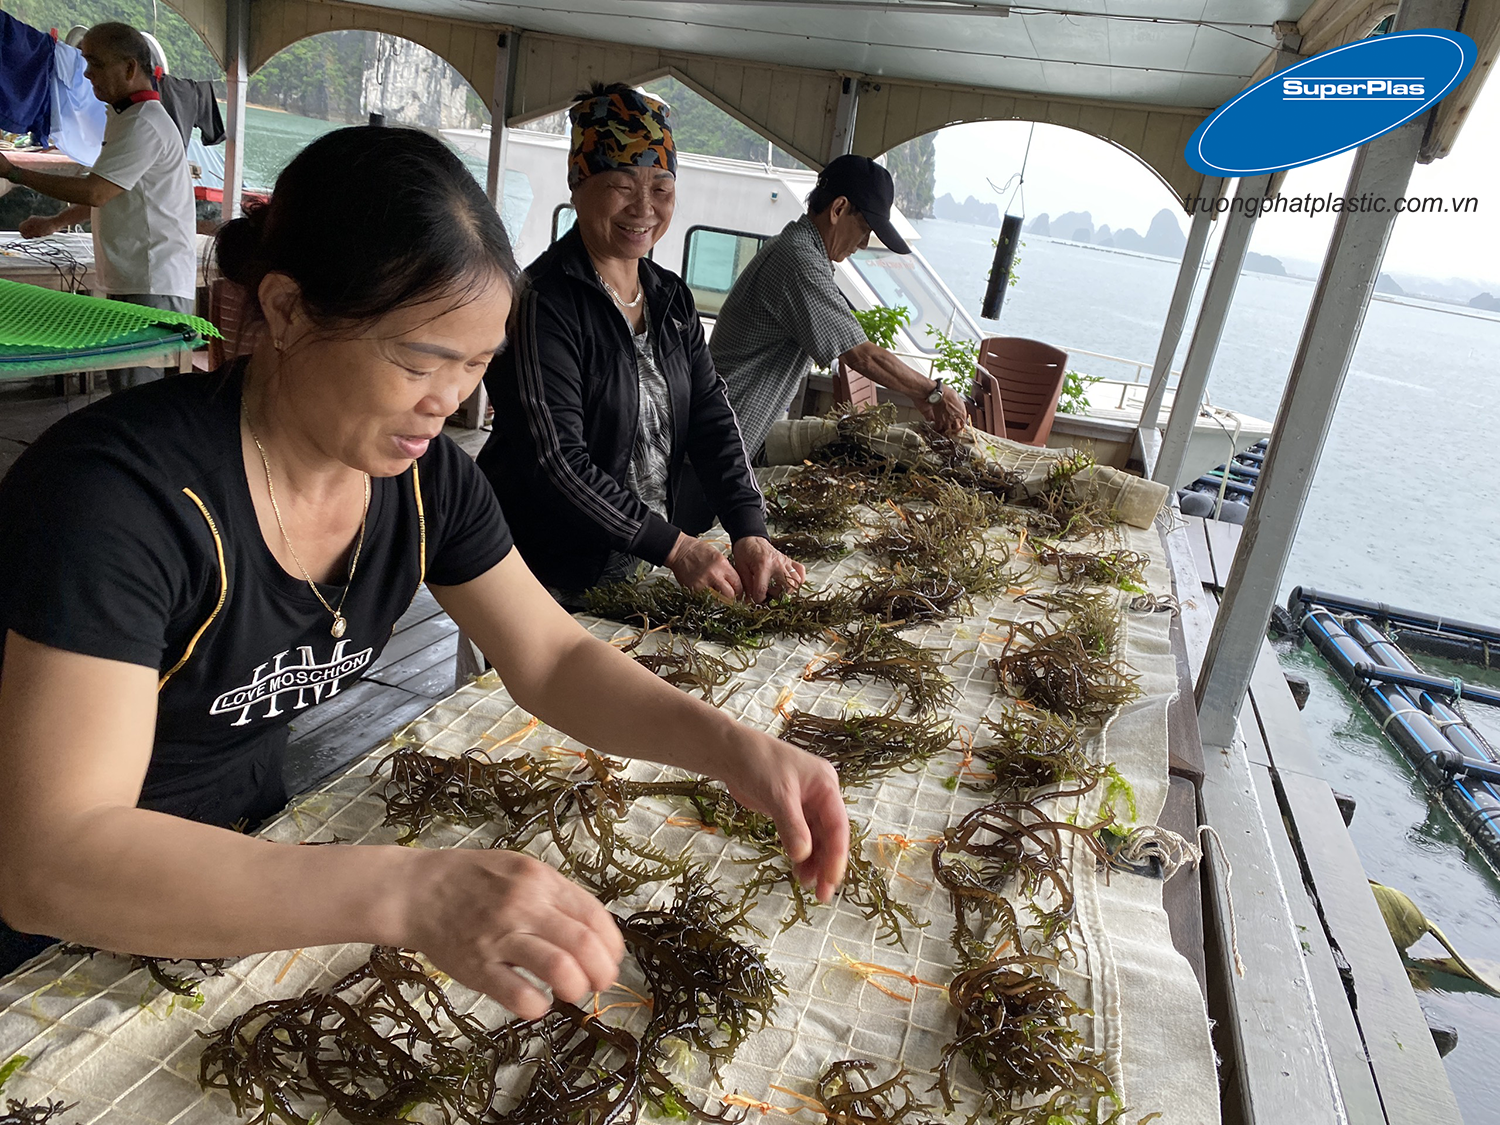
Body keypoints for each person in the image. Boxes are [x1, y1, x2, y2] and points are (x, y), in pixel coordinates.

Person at [0, 127, 848, 1010]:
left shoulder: (423, 480)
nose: (450, 402)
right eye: (420, 360)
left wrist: (732, 747)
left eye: (479, 366)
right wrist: (409, 890)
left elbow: (552, 656)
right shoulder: (116, 499)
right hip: (49, 939)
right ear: (286, 310)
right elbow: (55, 855)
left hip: (247, 861)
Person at [478, 83, 805, 606]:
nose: (644, 207)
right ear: (578, 182)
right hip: (546, 572)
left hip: (638, 567)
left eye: (662, 188)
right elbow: (558, 461)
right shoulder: (543, 304)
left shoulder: (669, 295)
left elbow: (710, 416)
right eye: (622, 183)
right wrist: (676, 548)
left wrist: (749, 528)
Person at [700, 154, 969, 483]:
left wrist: (924, 393)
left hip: (733, 435)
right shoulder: (798, 260)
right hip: (715, 447)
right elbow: (861, 355)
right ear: (839, 209)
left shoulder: (804, 252)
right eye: (865, 228)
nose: (864, 243)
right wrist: (933, 392)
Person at [0, 21, 197, 393]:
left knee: (138, 397)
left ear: (128, 68)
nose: (87, 73)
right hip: (134, 274)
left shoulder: (145, 123)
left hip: (152, 277)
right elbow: (115, 188)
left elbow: (96, 192)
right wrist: (57, 222)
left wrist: (15, 171)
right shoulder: (123, 118)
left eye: (95, 63)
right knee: (131, 389)